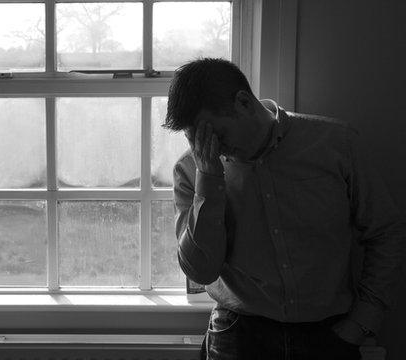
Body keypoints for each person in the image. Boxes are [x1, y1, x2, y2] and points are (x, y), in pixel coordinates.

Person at [163, 58, 405, 360]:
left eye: (218, 135)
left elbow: (386, 232)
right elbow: (201, 270)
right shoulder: (190, 171)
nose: (210, 148)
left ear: (243, 103)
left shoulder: (336, 146)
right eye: (196, 138)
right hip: (238, 336)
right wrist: (209, 180)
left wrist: (362, 322)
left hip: (329, 335)